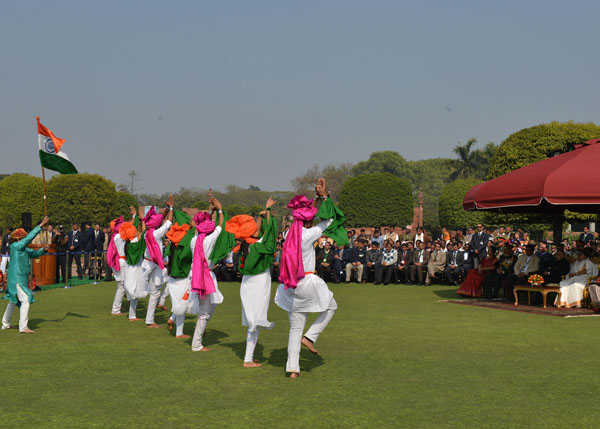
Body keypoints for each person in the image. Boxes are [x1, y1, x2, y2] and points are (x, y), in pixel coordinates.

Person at [275, 178, 347, 378]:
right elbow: (329, 221)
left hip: (289, 286)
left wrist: (314, 198)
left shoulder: (289, 232)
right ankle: (311, 336)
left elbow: (307, 218)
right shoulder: (309, 235)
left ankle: (293, 370)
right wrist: (324, 197)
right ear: (308, 220)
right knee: (332, 306)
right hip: (306, 282)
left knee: (294, 328)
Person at [226, 197, 277, 367]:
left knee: (253, 321)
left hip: (248, 283)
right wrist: (268, 211)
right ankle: (248, 359)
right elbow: (269, 235)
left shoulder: (245, 246)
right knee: (255, 322)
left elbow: (260, 232)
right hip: (259, 281)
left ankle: (250, 356)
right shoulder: (257, 246)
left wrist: (261, 216)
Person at [2, 217, 50, 333]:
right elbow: (29, 238)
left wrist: (43, 250)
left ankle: (5, 323)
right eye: (23, 238)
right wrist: (41, 225)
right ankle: (23, 327)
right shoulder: (15, 247)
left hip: (20, 278)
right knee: (26, 298)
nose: (25, 240)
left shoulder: (24, 249)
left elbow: (34, 253)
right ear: (19, 239)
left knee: (13, 300)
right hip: (17, 277)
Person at [189, 198, 226, 352]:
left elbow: (199, 227)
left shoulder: (194, 240)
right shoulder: (209, 240)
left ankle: (201, 330)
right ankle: (196, 344)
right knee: (205, 312)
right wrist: (220, 209)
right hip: (205, 277)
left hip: (197, 275)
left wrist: (210, 212)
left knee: (211, 306)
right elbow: (220, 226)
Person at [141, 196, 174, 328]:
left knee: (154, 292)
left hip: (148, 264)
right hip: (153, 265)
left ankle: (150, 319)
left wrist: (166, 209)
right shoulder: (156, 234)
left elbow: (160, 220)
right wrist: (171, 207)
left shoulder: (147, 232)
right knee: (155, 292)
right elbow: (169, 222)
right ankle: (149, 321)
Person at [106, 216, 127, 315]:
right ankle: (116, 309)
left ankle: (118, 304)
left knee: (123, 286)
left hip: (120, 262)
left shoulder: (116, 236)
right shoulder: (118, 236)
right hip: (120, 262)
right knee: (121, 286)